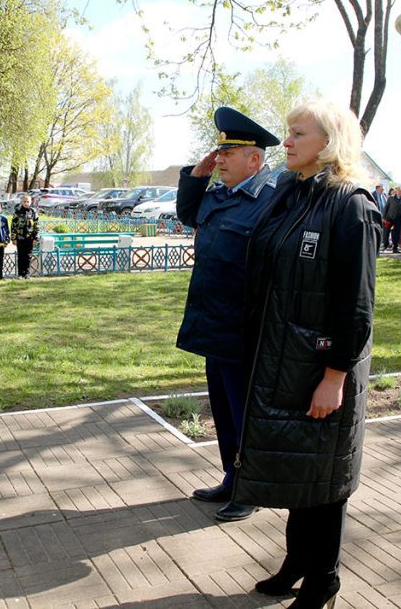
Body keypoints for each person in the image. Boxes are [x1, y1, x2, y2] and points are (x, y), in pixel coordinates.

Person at [238, 101, 380, 608]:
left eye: (299, 133)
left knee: (325, 477)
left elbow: (356, 307)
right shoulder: (292, 194)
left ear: (331, 141)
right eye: (288, 132)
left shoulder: (352, 206)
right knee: (302, 472)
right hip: (283, 358)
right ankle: (297, 563)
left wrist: (335, 376)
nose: (288, 142)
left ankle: (324, 581)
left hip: (322, 366)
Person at [175, 106, 280, 523]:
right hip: (213, 320)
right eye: (218, 153)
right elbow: (188, 214)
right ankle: (231, 477)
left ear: (254, 159)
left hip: (246, 326)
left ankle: (250, 486)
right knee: (222, 407)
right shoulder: (219, 194)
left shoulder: (272, 199)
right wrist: (198, 175)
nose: (219, 159)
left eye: (228, 154)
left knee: (244, 409)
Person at [11, 195, 39, 278]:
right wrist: (14, 238)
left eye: (28, 201)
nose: (26, 203)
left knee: (28, 256)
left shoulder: (33, 212)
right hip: (20, 238)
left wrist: (36, 238)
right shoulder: (17, 212)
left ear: (30, 202)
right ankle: (20, 274)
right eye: (24, 201)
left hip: (30, 238)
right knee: (21, 256)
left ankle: (27, 273)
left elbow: (37, 226)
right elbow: (13, 226)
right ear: (21, 202)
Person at [382, 186, 401, 253]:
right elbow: (386, 207)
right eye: (398, 191)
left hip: (398, 219)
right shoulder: (391, 198)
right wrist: (383, 217)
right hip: (388, 218)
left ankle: (395, 247)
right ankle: (385, 245)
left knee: (396, 233)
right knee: (386, 231)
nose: (400, 192)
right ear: (396, 191)